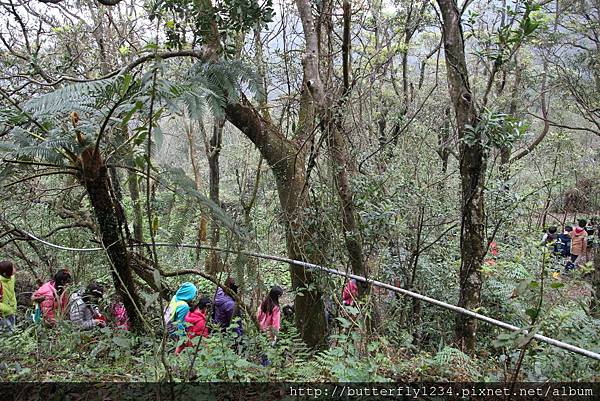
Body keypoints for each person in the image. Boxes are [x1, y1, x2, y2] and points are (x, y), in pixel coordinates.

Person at [257, 286, 283, 366]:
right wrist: (275, 334)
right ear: (277, 296)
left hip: (262, 328)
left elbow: (258, 315)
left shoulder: (264, 303)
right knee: (269, 349)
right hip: (270, 331)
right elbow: (276, 322)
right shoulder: (276, 308)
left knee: (263, 347)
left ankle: (262, 363)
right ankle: (267, 366)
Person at [0, 261, 17, 332]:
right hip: (2, 314)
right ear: (5, 273)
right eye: (12, 268)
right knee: (9, 334)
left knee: (13, 331)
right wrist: (7, 309)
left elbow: (12, 293)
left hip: (12, 310)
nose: (14, 269)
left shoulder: (12, 278)